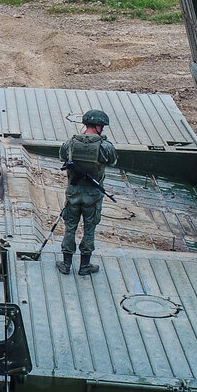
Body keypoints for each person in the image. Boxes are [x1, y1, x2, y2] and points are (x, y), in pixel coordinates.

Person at [57, 109, 117, 276]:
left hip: (73, 195)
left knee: (70, 228)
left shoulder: (70, 143)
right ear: (98, 126)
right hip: (93, 196)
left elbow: (62, 156)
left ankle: (66, 264)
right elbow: (112, 161)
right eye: (102, 126)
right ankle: (85, 266)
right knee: (89, 230)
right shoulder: (105, 146)